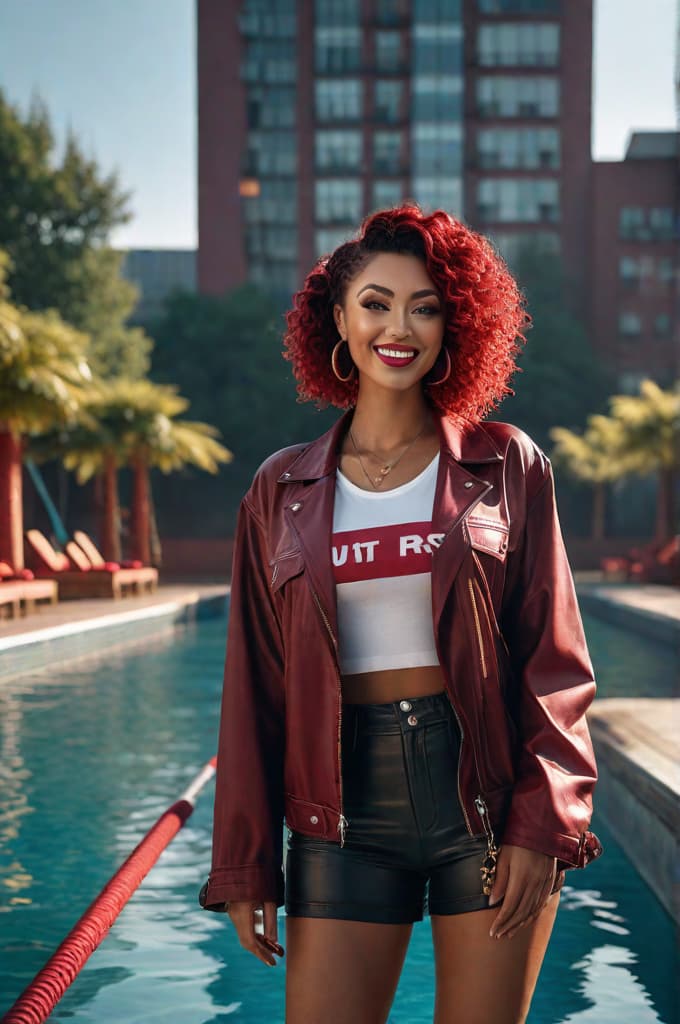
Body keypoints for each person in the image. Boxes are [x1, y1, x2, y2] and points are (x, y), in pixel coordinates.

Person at [199, 204, 603, 1024]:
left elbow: (554, 662)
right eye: (377, 303)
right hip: (340, 813)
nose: (399, 326)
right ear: (338, 321)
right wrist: (245, 865)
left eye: (425, 306)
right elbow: (253, 689)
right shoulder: (280, 490)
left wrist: (543, 820)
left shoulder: (505, 463)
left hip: (484, 801)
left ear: (454, 324)